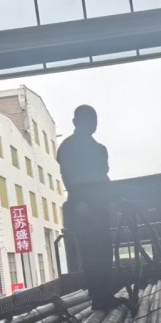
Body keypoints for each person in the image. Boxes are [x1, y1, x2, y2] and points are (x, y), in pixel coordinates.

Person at [57, 105, 115, 309]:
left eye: (94, 120)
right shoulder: (68, 148)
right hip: (84, 210)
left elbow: (102, 176)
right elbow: (69, 177)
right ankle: (99, 297)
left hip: (99, 207)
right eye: (88, 120)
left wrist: (111, 198)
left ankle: (105, 294)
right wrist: (81, 203)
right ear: (76, 122)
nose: (92, 124)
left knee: (105, 250)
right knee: (91, 252)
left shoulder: (99, 149)